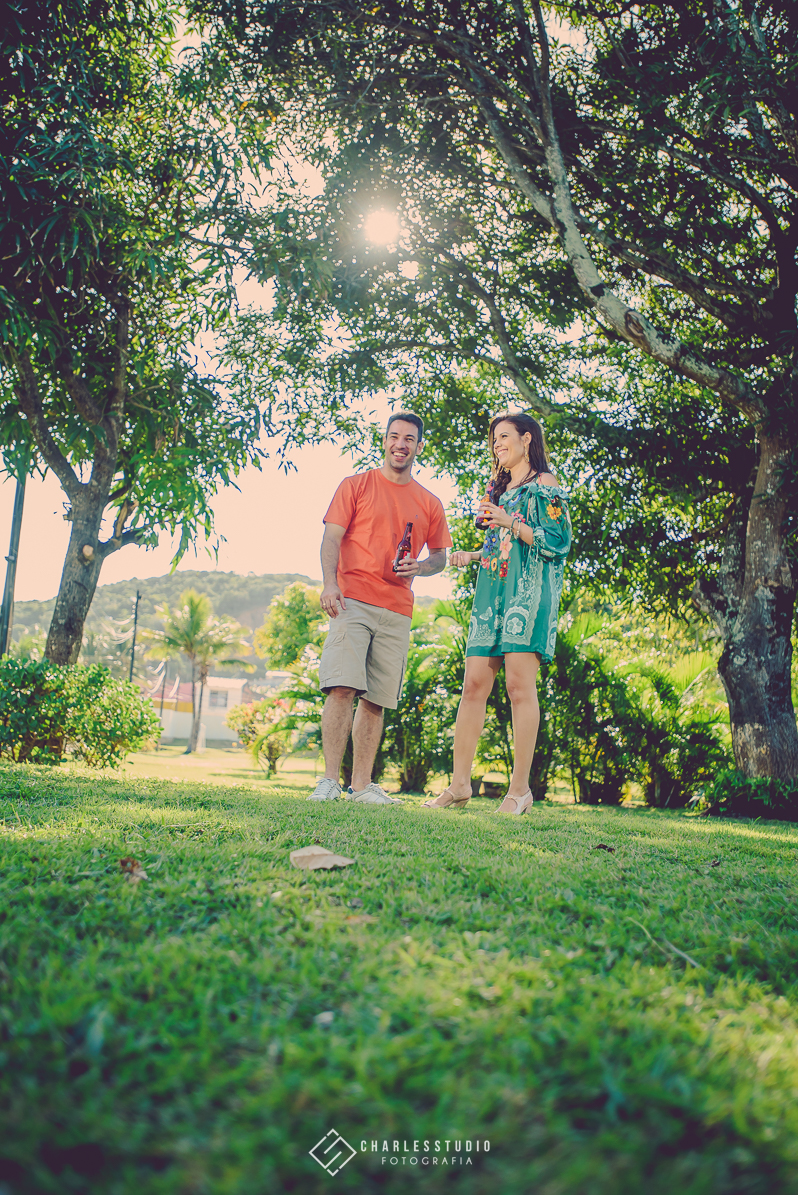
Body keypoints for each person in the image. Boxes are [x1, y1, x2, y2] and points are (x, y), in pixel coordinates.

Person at [423, 411, 571, 815]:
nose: (497, 444)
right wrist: (471, 555)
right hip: (492, 592)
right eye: (494, 440)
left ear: (527, 439)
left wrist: (510, 522)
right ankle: (459, 785)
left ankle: (519, 791)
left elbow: (558, 542)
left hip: (528, 593)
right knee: (473, 685)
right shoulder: (501, 493)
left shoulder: (546, 485)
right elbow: (499, 548)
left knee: (519, 687)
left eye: (504, 436)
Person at [309, 412, 452, 804]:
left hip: (397, 611)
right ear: (385, 441)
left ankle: (360, 787)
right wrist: (329, 583)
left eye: (409, 439)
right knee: (341, 686)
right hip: (352, 600)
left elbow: (440, 557)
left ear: (418, 447)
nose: (400, 445)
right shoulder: (356, 485)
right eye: (394, 436)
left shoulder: (430, 502)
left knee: (376, 700)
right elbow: (331, 539)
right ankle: (329, 782)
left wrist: (420, 567)